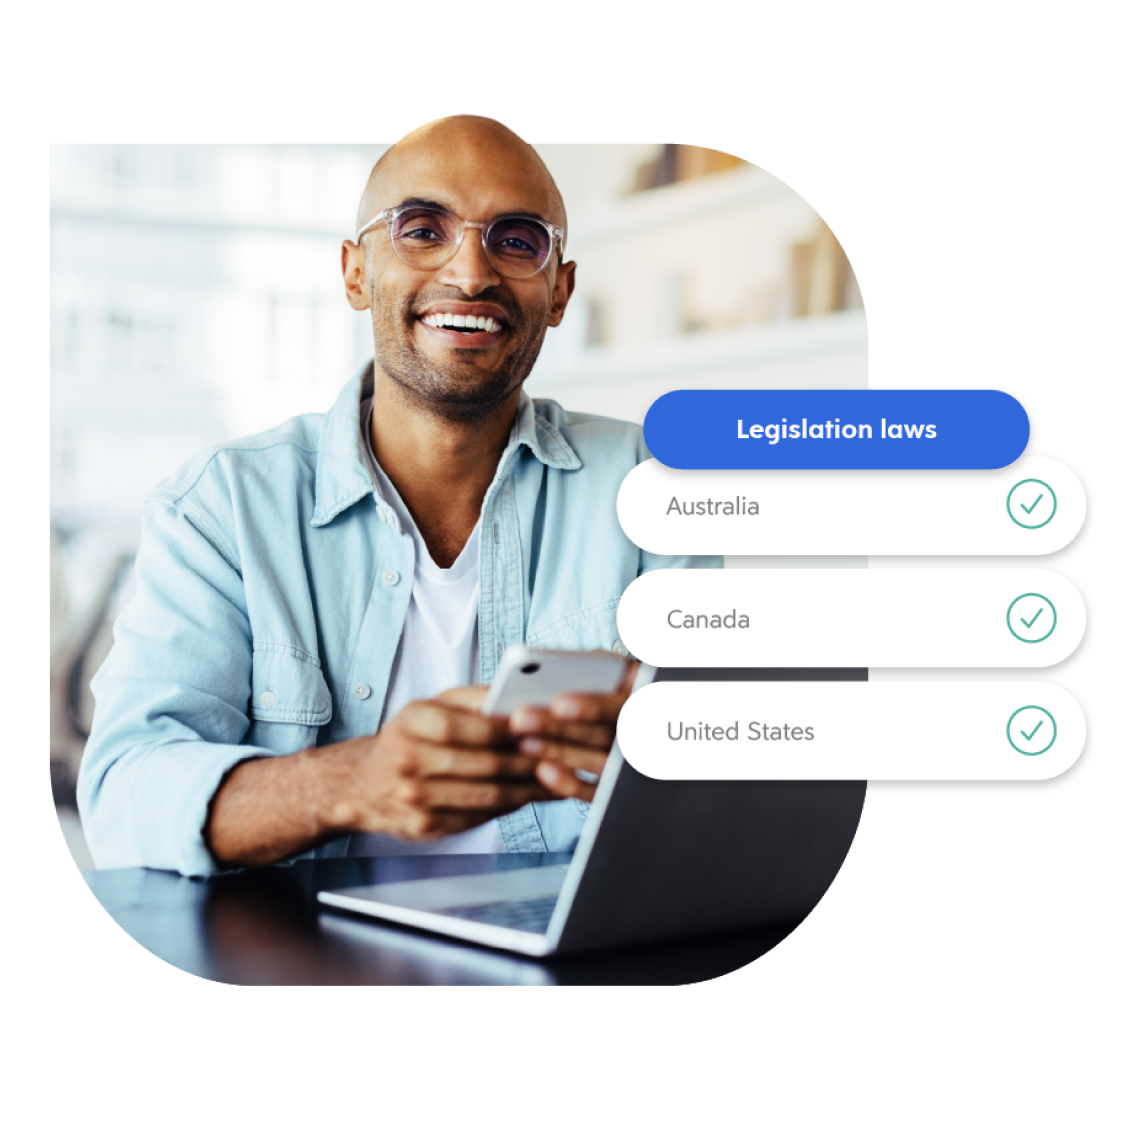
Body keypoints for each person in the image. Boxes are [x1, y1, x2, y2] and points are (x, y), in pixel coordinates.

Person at [79, 121, 720, 875]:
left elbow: (717, 762)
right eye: (422, 230)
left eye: (517, 241)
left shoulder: (650, 483)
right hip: (299, 955)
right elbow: (124, 795)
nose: (471, 272)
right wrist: (347, 783)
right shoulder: (220, 507)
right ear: (355, 274)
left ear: (559, 292)